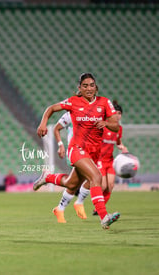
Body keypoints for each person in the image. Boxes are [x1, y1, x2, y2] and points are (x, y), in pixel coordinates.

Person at [33, 73, 121, 229]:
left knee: (70, 183)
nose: (88, 88)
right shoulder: (73, 102)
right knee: (96, 176)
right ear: (79, 88)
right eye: (85, 85)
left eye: (91, 85)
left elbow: (115, 126)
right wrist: (43, 123)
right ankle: (103, 217)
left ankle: (47, 177)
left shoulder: (105, 103)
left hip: (93, 153)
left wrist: (106, 122)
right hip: (76, 149)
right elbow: (52, 108)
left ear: (96, 88)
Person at [52, 111, 90, 223]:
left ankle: (60, 208)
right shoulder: (70, 113)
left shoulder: (93, 112)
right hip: (75, 151)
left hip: (88, 151)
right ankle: (79, 202)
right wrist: (60, 145)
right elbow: (56, 128)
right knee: (94, 176)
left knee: (73, 183)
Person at [93, 100, 128, 215]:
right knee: (102, 185)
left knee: (110, 186)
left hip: (110, 160)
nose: (117, 116)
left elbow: (118, 142)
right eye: (115, 113)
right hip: (100, 160)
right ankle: (99, 208)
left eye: (119, 113)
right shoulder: (103, 125)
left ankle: (98, 210)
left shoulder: (119, 129)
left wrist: (122, 147)